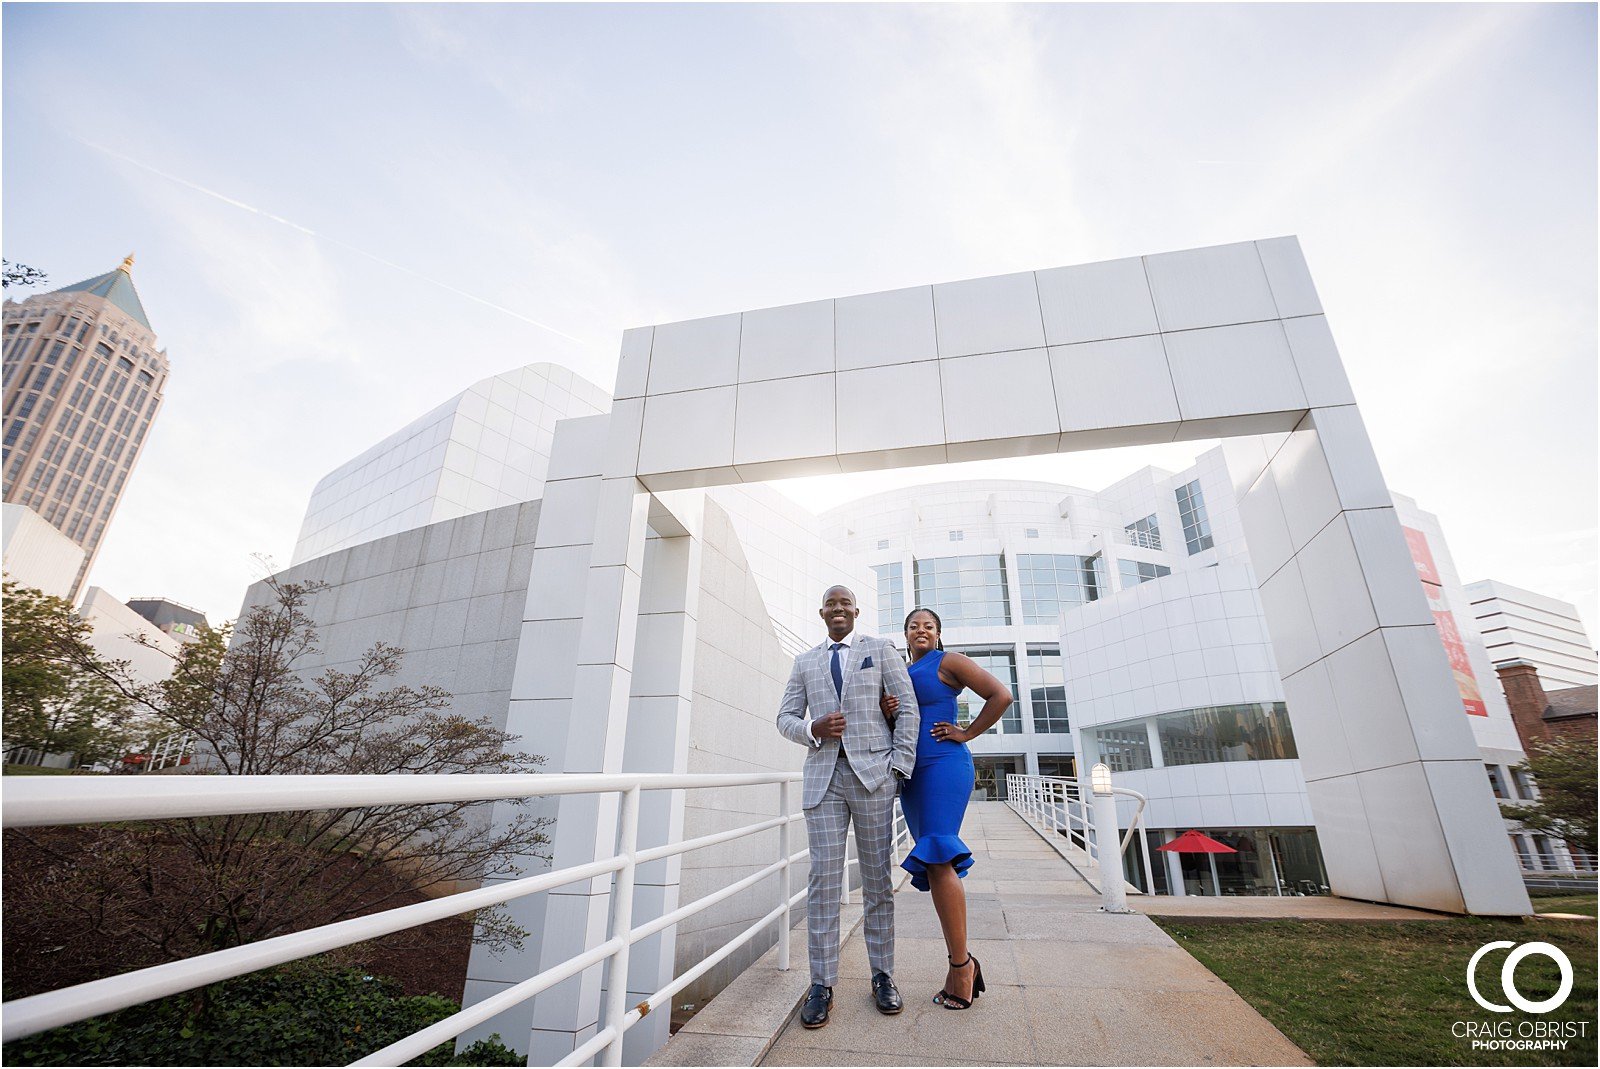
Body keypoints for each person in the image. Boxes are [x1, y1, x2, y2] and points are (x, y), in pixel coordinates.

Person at [776, 585, 920, 1029]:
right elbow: (784, 718)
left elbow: (908, 709)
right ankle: (821, 983)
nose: (838, 609)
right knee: (823, 881)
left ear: (856, 611)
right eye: (831, 604)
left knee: (877, 878)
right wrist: (812, 727)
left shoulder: (880, 649)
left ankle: (882, 975)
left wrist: (899, 766)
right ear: (821, 613)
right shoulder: (804, 662)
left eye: (845, 604)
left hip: (874, 778)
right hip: (824, 781)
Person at [880, 607, 1013, 1010]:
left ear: (938, 635)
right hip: (911, 774)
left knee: (939, 855)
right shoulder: (900, 671)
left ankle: (962, 967)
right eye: (914, 626)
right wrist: (889, 714)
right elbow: (899, 727)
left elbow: (1000, 694)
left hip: (943, 766)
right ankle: (962, 964)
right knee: (937, 864)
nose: (921, 630)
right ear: (905, 635)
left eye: (929, 626)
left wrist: (967, 733)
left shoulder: (948, 662)